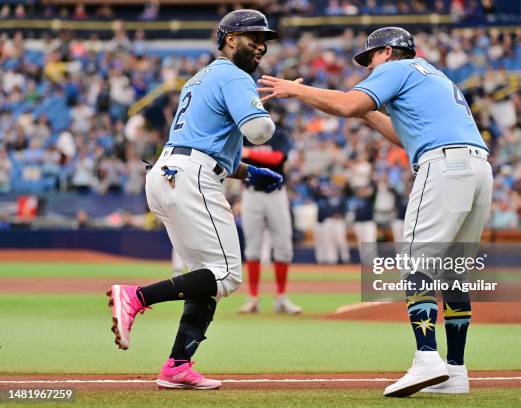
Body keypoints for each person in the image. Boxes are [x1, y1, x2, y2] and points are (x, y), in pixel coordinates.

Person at [258, 27, 492, 397]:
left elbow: (347, 103)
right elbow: (404, 135)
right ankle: (456, 371)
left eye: (369, 59)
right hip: (477, 168)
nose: (368, 67)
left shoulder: (396, 68)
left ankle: (427, 358)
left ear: (386, 51)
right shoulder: (432, 74)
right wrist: (366, 116)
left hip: (443, 166)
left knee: (418, 264)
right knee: (452, 273)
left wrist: (296, 89)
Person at [106, 9, 283, 391]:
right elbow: (258, 132)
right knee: (227, 275)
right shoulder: (233, 74)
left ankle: (178, 364)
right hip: (192, 177)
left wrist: (248, 172)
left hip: (170, 172)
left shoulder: (200, 78)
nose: (262, 46)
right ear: (230, 40)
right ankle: (136, 297)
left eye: (265, 39)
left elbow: (205, 143)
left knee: (205, 276)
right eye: (254, 37)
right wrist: (267, 117)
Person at [239, 109, 302, 314]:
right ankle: (253, 298)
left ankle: (281, 297)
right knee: (253, 248)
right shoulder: (246, 135)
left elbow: (277, 159)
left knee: (283, 246)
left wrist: (249, 154)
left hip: (276, 193)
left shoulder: (279, 135)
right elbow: (237, 157)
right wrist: (248, 154)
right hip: (252, 193)